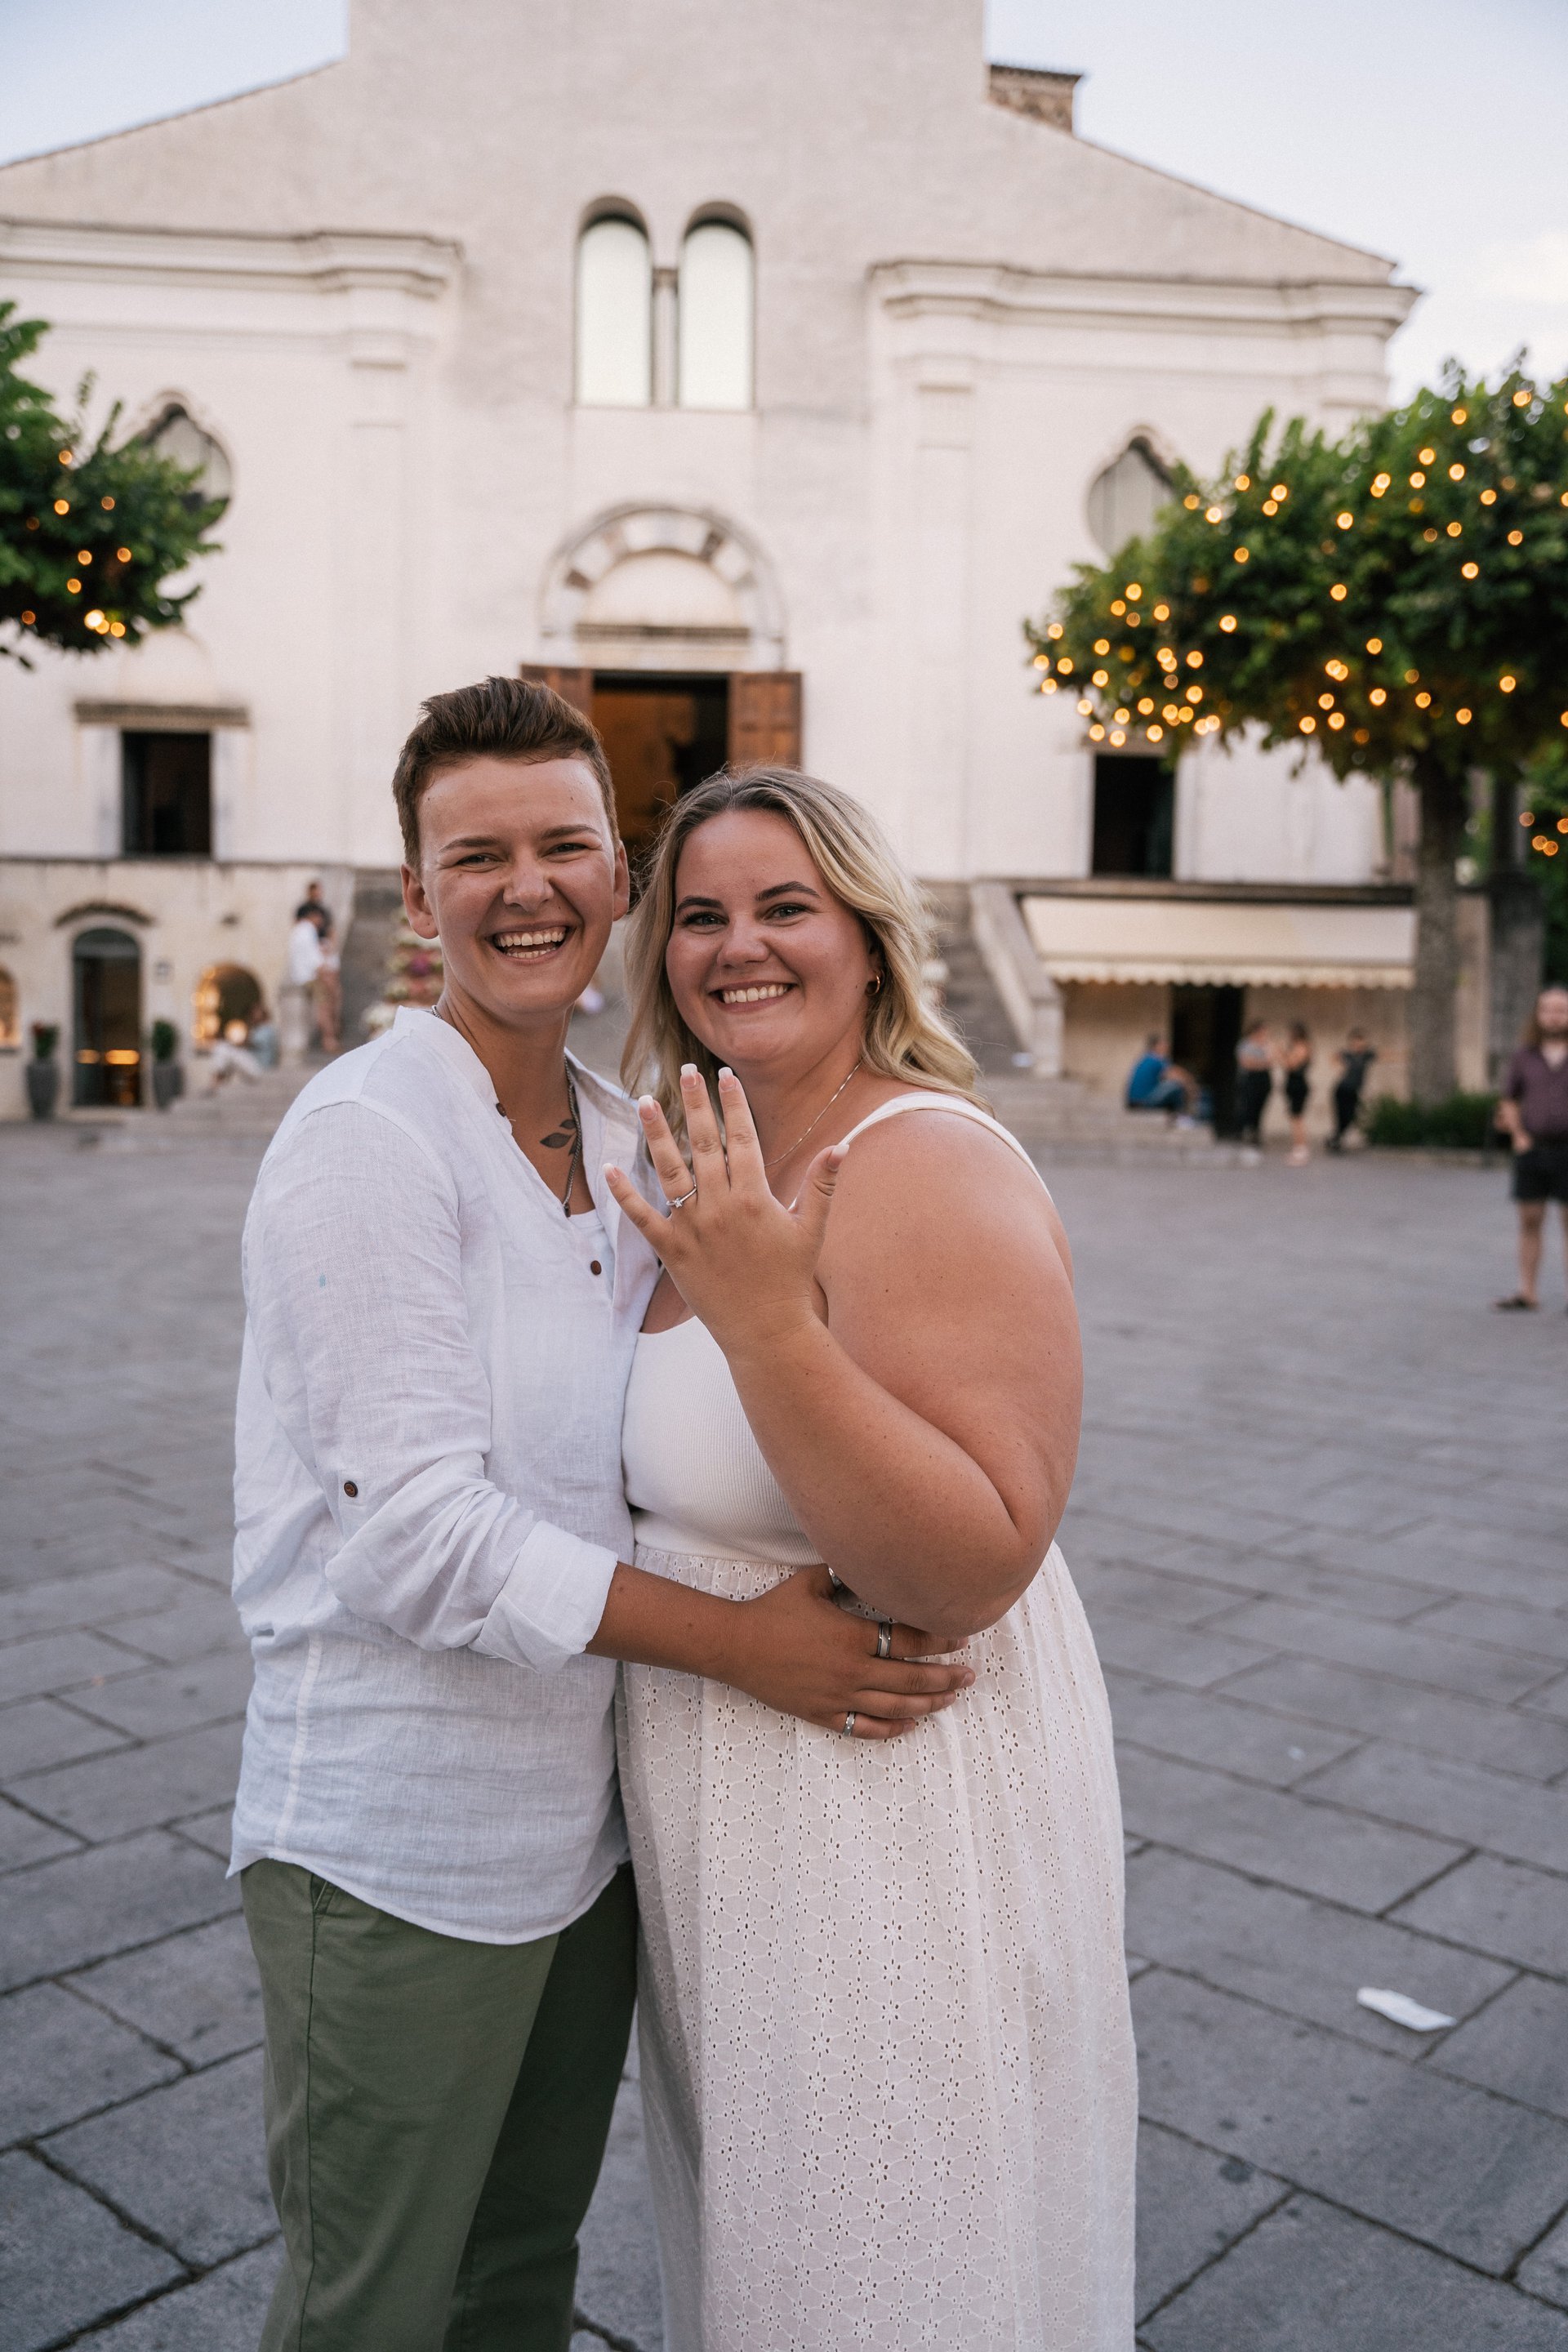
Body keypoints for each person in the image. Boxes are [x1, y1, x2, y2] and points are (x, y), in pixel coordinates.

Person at [230, 682, 969, 2351]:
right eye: (474, 855)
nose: (527, 887)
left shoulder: (643, 1139)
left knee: (518, 2285)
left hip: (588, 1845)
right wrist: (745, 1649)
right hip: (398, 1841)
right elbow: (418, 1535)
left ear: (619, 879)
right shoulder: (365, 1137)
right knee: (373, 2306)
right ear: (414, 900)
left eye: (565, 844)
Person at [604, 767, 1135, 2351]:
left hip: (882, 1808)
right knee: (773, 2244)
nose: (738, 946)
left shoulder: (923, 1158)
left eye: (787, 908)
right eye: (701, 915)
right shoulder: (702, 1148)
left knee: (888, 2260)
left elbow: (971, 1562)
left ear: (871, 940)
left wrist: (769, 1322)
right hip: (730, 1805)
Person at [1495, 982, 1568, 1311]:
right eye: (1547, 1010)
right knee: (1529, 1220)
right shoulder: (1524, 1056)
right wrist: (1518, 1135)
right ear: (1538, 1015)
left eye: (1561, 1010)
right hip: (1533, 1149)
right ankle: (1528, 1292)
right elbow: (1509, 1099)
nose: (1554, 1016)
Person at [1326, 1027, 1376, 1151]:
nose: (1358, 1044)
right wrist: (1338, 1067)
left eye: (1361, 1041)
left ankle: (1334, 1139)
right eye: (1356, 1041)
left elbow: (1384, 1055)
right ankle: (1336, 1141)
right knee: (1341, 1117)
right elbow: (1333, 1058)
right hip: (1342, 1090)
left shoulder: (1366, 1055)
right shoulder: (1347, 1054)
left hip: (1354, 1091)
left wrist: (1403, 1056)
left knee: (1351, 1116)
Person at [1125, 1031, 1194, 1118]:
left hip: (1135, 1102)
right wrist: (1191, 1086)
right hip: (1143, 1102)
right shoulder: (1157, 1059)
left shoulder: (1146, 1058)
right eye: (1164, 1044)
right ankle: (1180, 1117)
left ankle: (1175, 1116)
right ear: (1156, 1046)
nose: (1167, 1047)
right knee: (1176, 1087)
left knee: (1171, 1087)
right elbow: (1175, 1075)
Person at [1235, 1018, 1274, 1156]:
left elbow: (1271, 1060)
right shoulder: (1245, 1045)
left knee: (1260, 1107)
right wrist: (1262, 1063)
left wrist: (1259, 1062)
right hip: (1250, 1080)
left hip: (1263, 1080)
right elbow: (1246, 1063)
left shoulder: (1266, 1045)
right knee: (1248, 1105)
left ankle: (1255, 1132)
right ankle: (1245, 1131)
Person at [311, 908, 343, 1056]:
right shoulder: (320, 945)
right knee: (325, 1009)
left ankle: (331, 1037)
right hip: (326, 977)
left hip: (331, 977)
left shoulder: (328, 946)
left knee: (332, 1009)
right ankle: (328, 1038)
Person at [1281, 1020, 1312, 1165]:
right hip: (1294, 1085)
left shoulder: (1301, 1047)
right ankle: (1298, 1149)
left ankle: (1301, 1151)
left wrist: (1280, 1054)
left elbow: (1291, 1065)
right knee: (1294, 1118)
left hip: (1298, 1086)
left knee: (1297, 1119)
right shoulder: (1299, 1047)